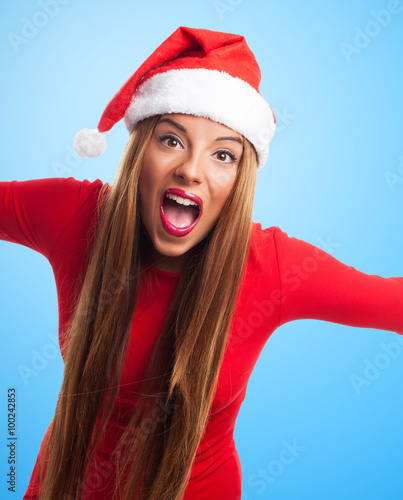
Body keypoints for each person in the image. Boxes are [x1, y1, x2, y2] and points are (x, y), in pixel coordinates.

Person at [1, 26, 402, 500]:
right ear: (139, 151)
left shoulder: (270, 265)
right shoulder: (77, 216)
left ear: (240, 178)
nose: (191, 169)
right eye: (171, 141)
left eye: (223, 155)